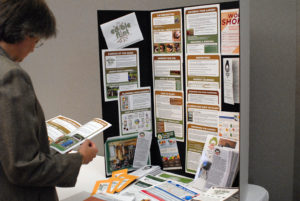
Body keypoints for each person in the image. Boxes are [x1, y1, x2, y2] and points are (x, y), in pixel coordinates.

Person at [0, 0, 98, 201]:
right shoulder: (12, 77)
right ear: (27, 33)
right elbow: (22, 168)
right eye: (36, 42)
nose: (33, 50)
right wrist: (78, 159)